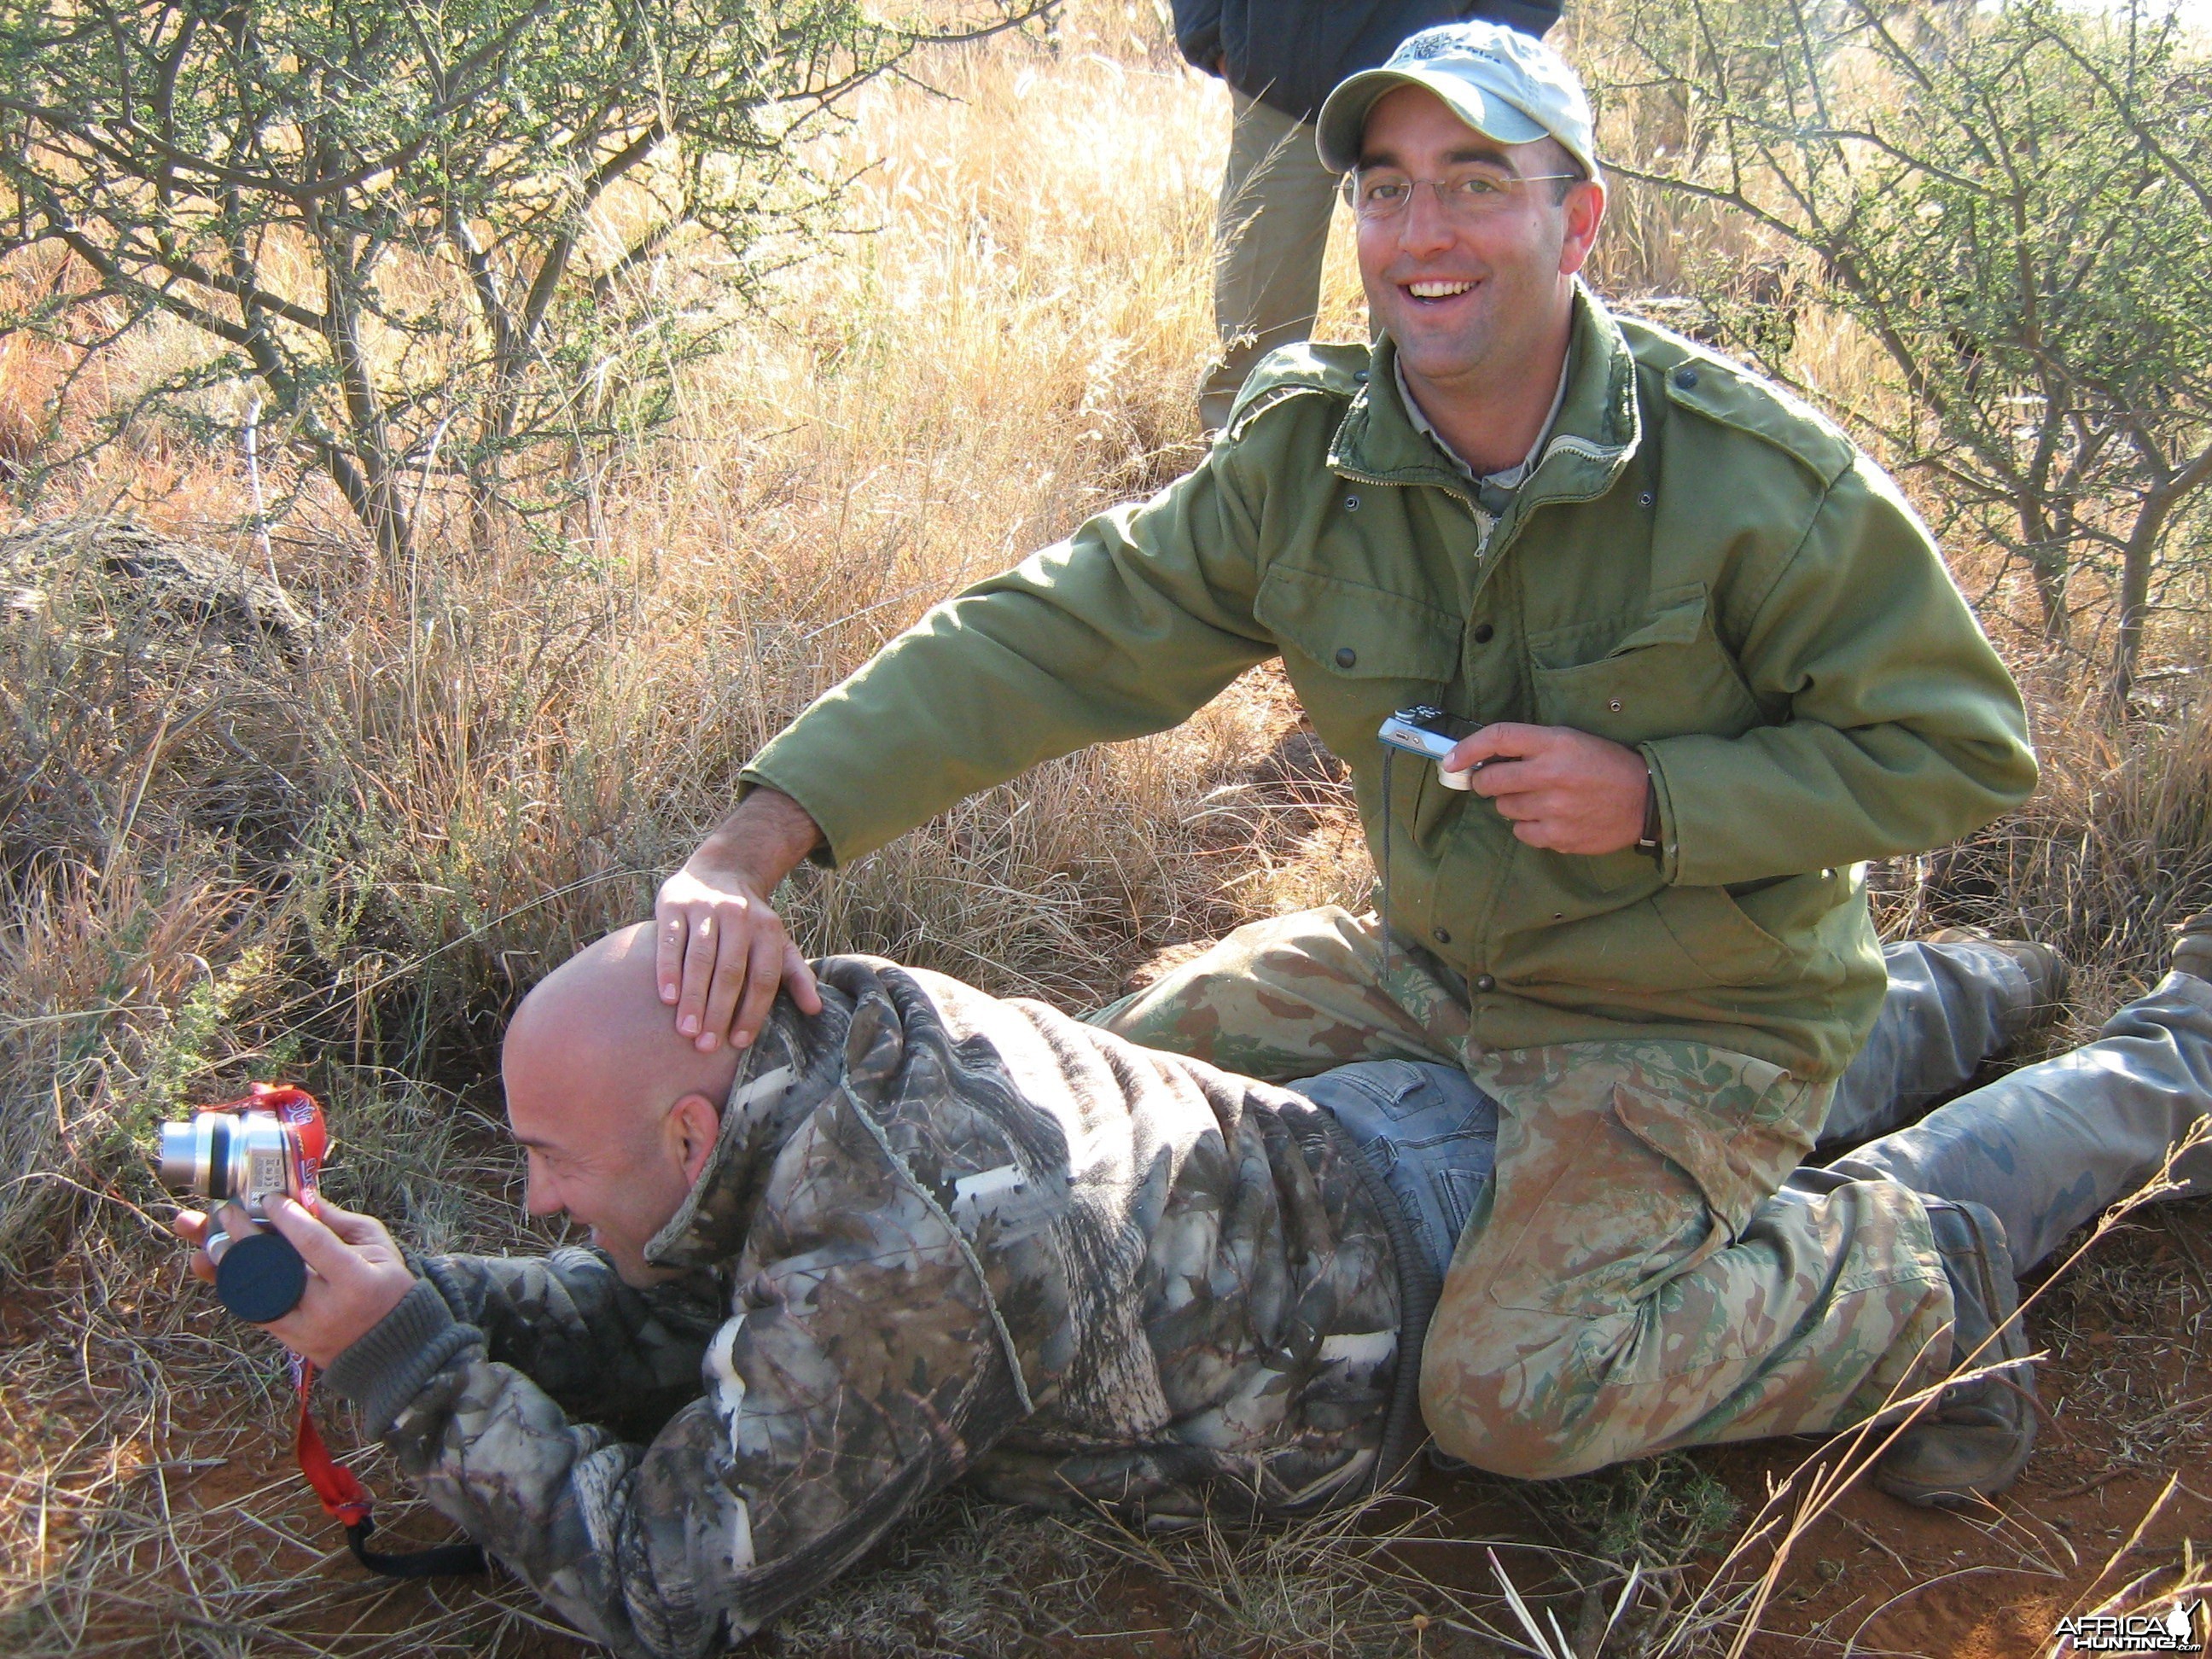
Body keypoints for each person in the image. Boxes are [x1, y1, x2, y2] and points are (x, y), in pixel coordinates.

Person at [650, 22, 2044, 1501]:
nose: (1419, 233)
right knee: (1073, 1098)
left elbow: (1962, 752)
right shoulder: (1306, 459)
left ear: (1576, 218)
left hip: (1689, 1015)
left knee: (1508, 1393)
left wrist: (1659, 799)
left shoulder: (1753, 479)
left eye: (1475, 182)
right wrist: (750, 844)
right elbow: (1048, 636)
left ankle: (1914, 1272)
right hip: (1432, 972)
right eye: (1384, 189)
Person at [172, 918, 2212, 1655]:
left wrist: (415, 1364)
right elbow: (688, 1315)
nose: (529, 1185)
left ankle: (2165, 1056)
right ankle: (1977, 974)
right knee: (1735, 1088)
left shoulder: (908, 1249)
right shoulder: (832, 1038)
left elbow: (671, 1570)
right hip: (1399, 1121)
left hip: (1444, 1288)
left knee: (1887, 1221)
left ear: (692, 1135)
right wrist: (414, 1285)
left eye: (544, 1157)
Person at [1170, 0, 1563, 432]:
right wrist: (1213, 37)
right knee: (1253, 338)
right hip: (1278, 77)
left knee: (1439, 327)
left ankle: (1431, 483)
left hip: (1430, 93)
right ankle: (1241, 484)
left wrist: (1469, 56)